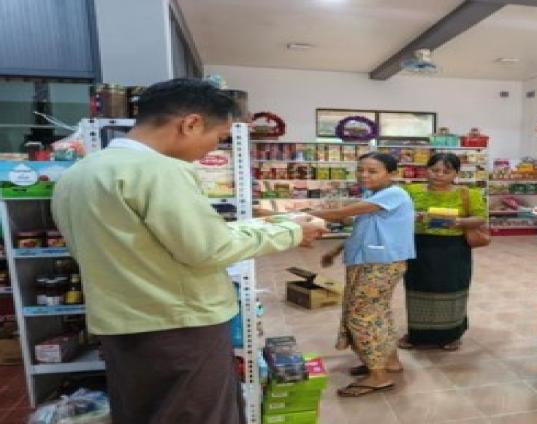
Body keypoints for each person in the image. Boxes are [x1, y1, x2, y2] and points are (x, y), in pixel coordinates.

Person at [51, 79, 326, 424]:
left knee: (143, 411)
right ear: (191, 123)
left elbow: (164, 241)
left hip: (120, 325)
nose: (213, 149)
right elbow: (209, 249)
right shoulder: (160, 170)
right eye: (219, 137)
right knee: (197, 413)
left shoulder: (80, 173)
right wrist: (292, 232)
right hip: (179, 326)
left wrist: (276, 223)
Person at [313, 152, 415, 398]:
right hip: (369, 260)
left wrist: (292, 214)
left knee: (362, 315)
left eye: (372, 171)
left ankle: (378, 376)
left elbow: (339, 214)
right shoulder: (373, 194)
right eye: (360, 170)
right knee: (378, 312)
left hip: (380, 263)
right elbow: (364, 229)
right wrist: (336, 250)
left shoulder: (394, 194)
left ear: (392, 174)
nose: (364, 175)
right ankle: (388, 361)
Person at [397, 153, 488, 351]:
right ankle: (417, 334)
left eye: (446, 171)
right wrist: (413, 216)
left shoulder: (467, 194)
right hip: (419, 247)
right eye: (434, 170)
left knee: (451, 289)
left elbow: (480, 218)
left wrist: (458, 222)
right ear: (426, 170)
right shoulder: (410, 191)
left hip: (453, 249)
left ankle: (452, 335)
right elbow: (397, 212)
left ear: (456, 173)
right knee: (417, 289)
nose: (439, 175)